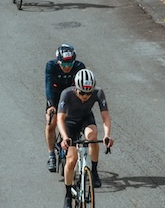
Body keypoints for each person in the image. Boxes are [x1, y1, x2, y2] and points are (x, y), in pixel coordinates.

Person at [57, 69, 113, 208]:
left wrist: (107, 135)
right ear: (76, 87)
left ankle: (93, 171)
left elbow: (105, 117)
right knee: (71, 159)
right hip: (69, 124)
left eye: (89, 93)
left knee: (93, 137)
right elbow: (60, 118)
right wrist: (64, 138)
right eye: (82, 92)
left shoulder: (98, 93)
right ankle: (68, 194)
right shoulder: (67, 94)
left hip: (85, 120)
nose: (85, 96)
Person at [45, 44, 86, 173]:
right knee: (51, 123)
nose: (67, 68)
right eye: (64, 64)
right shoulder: (51, 66)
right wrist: (51, 105)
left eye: (70, 64)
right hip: (56, 97)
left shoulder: (79, 67)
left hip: (71, 97)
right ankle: (51, 155)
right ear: (58, 61)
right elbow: (48, 87)